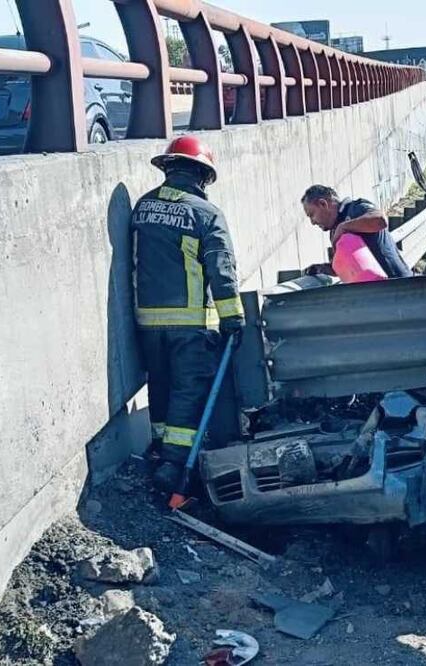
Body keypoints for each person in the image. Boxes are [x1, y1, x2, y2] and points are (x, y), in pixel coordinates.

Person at [132, 135, 245, 492]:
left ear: (169, 168)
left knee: (160, 385)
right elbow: (221, 267)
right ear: (202, 176)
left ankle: (158, 450)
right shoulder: (205, 213)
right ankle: (174, 466)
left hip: (147, 323)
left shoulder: (143, 206)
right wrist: (233, 318)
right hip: (190, 323)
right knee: (188, 390)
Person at [301, 185, 413, 279]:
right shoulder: (334, 231)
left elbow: (380, 221)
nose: (313, 222)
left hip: (400, 284)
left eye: (312, 215)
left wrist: (343, 227)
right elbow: (347, 267)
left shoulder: (356, 208)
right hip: (376, 294)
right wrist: (321, 269)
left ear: (323, 204)